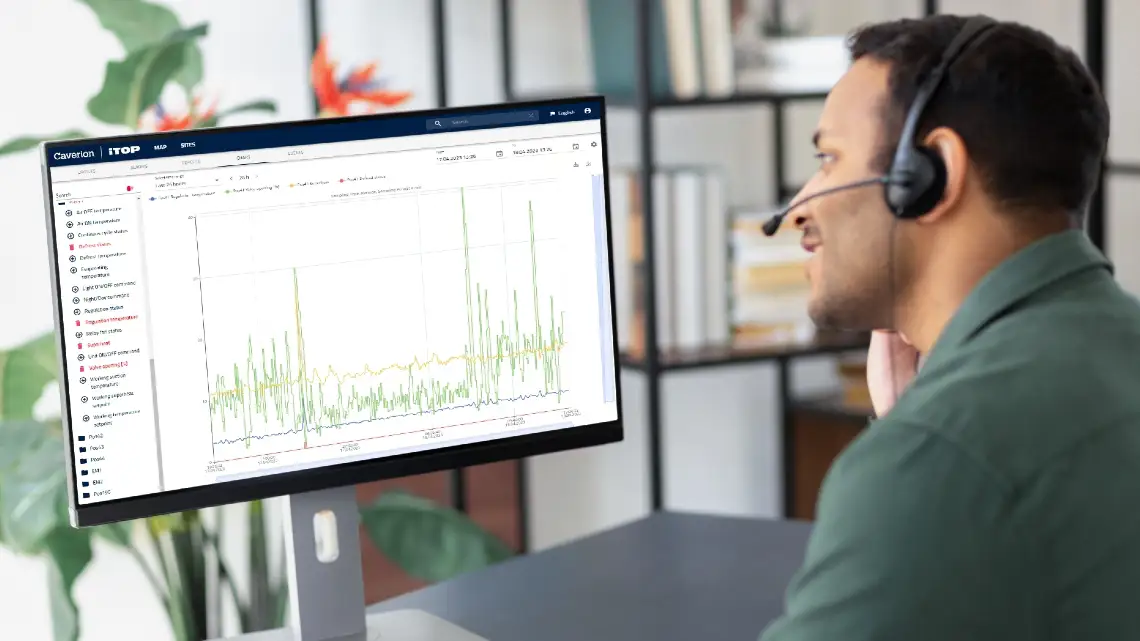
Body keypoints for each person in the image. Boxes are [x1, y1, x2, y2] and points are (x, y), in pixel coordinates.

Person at [759, 13, 1140, 641]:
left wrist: (920, 441)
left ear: (929, 173)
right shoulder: (1113, 350)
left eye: (829, 159)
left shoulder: (942, 455)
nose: (798, 206)